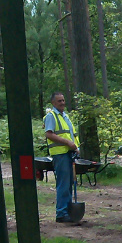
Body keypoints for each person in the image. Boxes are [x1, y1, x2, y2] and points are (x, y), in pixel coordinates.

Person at [44, 92, 79, 223]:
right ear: (53, 103)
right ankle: (61, 213)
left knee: (69, 183)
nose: (62, 103)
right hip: (60, 154)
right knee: (63, 184)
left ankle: (68, 211)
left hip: (69, 153)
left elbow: (70, 134)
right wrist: (67, 143)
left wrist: (76, 147)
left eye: (63, 100)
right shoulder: (51, 116)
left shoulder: (65, 117)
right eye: (59, 101)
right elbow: (49, 134)